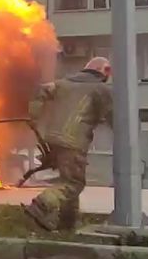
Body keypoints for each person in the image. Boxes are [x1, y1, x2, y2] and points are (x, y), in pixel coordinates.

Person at [24, 57, 113, 231]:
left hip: (51, 139)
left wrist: (33, 117)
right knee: (74, 184)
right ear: (106, 72)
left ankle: (67, 225)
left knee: (69, 180)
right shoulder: (100, 89)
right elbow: (114, 117)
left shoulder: (62, 83)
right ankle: (43, 203)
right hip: (73, 142)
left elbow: (40, 91)